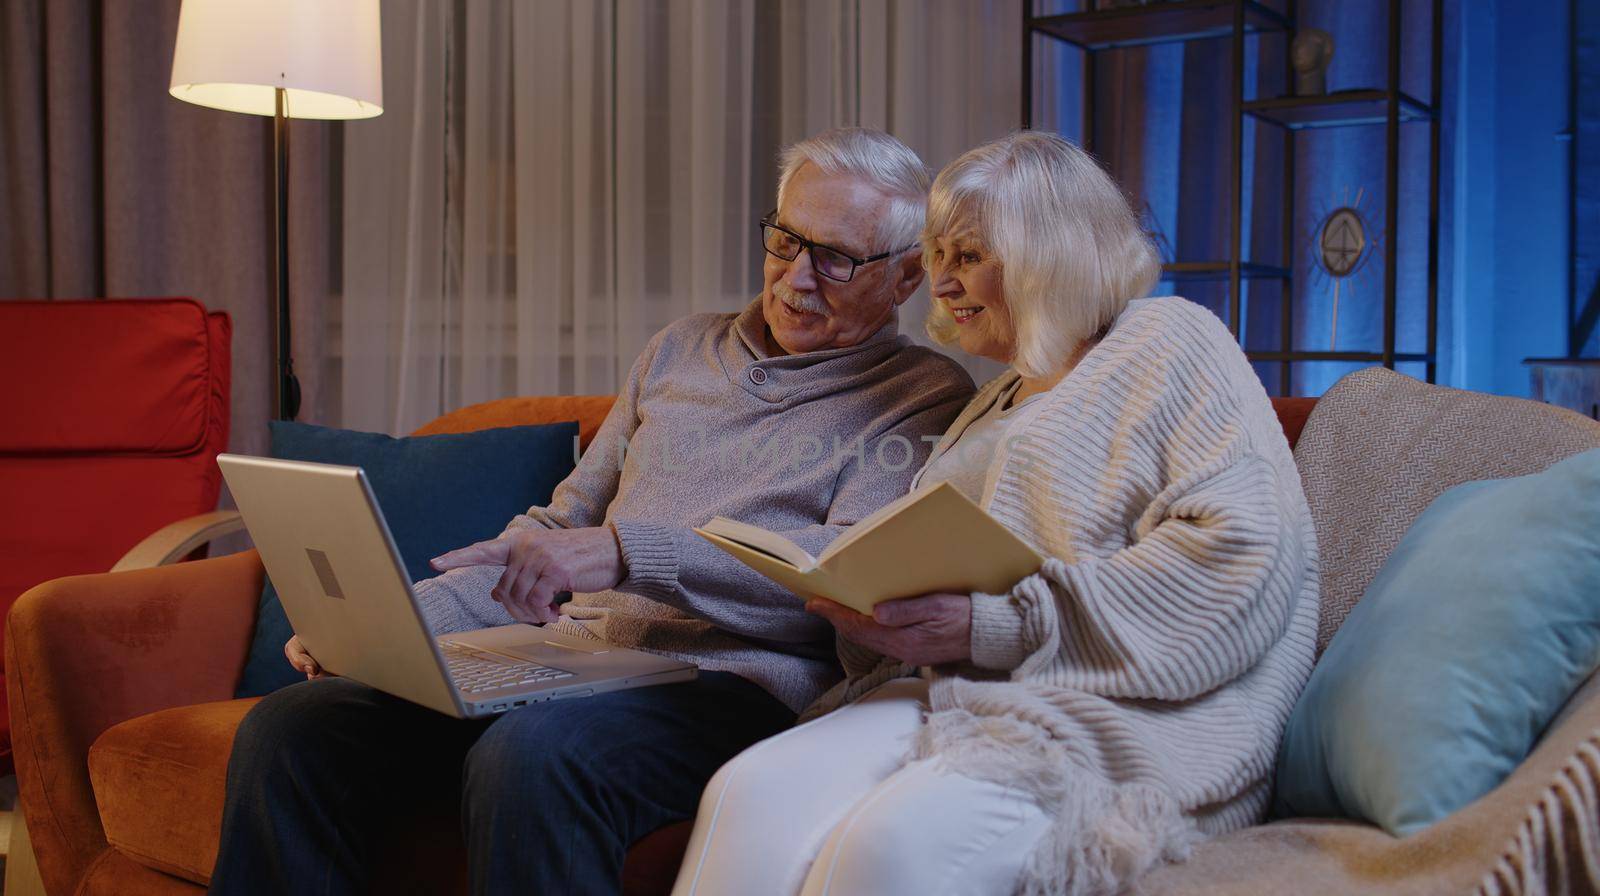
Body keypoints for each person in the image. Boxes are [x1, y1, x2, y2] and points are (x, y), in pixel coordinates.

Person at [207, 127, 976, 896]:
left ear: (907, 276)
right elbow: (558, 528)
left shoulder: (920, 396)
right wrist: (388, 628)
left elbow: (839, 571)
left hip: (734, 687)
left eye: (835, 258)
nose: (796, 280)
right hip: (578, 657)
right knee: (294, 729)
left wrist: (631, 551)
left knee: (536, 751)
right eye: (785, 241)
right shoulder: (679, 349)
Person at [671, 131, 1320, 896]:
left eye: (968, 255)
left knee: (886, 849)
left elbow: (1241, 554)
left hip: (1115, 715)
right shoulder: (999, 395)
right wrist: (876, 613)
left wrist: (991, 623)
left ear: (1051, 251)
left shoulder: (1167, 338)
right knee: (750, 795)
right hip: (961, 693)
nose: (940, 284)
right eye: (938, 255)